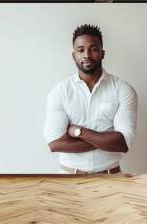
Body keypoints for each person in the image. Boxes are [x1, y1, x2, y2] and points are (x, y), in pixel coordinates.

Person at [42, 24, 138, 174]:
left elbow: (123, 143)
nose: (86, 55)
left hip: (110, 178)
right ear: (73, 55)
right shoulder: (60, 91)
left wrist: (78, 132)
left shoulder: (123, 89)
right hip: (69, 177)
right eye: (80, 50)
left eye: (93, 49)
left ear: (102, 53)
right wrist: (105, 140)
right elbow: (54, 144)